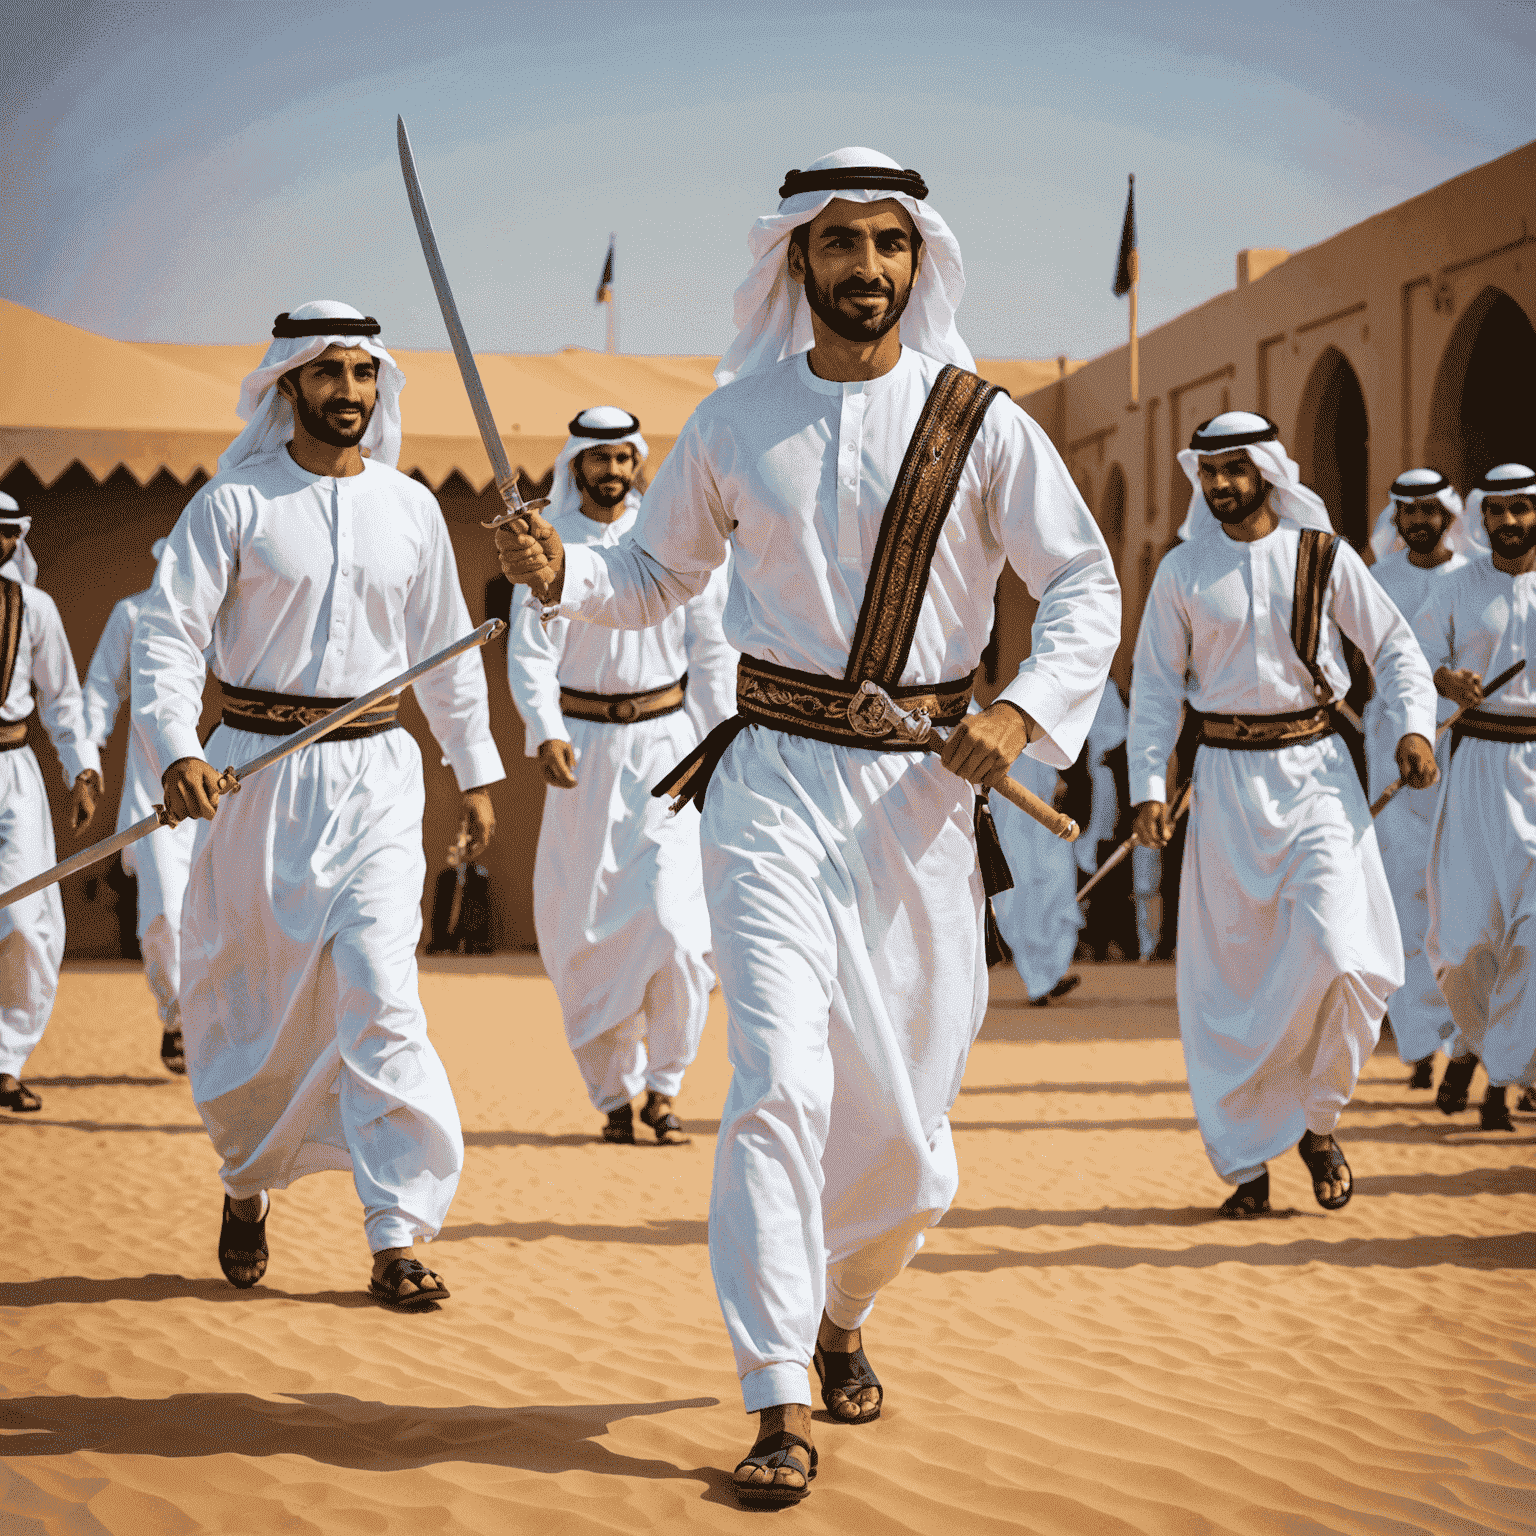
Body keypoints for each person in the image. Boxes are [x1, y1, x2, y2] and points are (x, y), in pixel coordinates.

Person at [495, 148, 1119, 1506]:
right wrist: (564, 574)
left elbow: (1081, 584)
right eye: (840, 244)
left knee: (909, 1136)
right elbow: (653, 576)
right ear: (797, 262)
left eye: (889, 244)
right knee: (779, 1084)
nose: (866, 268)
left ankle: (845, 1313)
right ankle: (777, 1388)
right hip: (769, 783)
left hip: (923, 801)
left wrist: (1016, 715)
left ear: (920, 260)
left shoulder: (986, 427)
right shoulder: (733, 424)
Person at [132, 301, 505, 1308]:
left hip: (379, 777)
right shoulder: (232, 504)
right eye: (328, 373)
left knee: (383, 995)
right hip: (256, 776)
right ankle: (249, 1183)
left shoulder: (411, 508)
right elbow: (166, 640)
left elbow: (446, 654)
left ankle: (396, 1233)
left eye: (364, 373)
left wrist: (472, 770)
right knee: (258, 1009)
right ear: (288, 385)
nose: (349, 391)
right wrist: (175, 750)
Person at [1129, 412, 1437, 1219]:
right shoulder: (1182, 573)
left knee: (1349, 952)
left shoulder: (1324, 558)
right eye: (1209, 471)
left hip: (1318, 777)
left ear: (1269, 470)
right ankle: (1246, 1163)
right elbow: (1157, 691)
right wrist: (1149, 791)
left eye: (1235, 468)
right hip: (1225, 785)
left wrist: (1410, 725)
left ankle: (1318, 1119)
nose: (1222, 484)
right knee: (1233, 982)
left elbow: (1397, 648)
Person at [507, 406, 734, 1145]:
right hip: (583, 752)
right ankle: (613, 1094)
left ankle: (665, 1088)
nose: (611, 471)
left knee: (675, 924)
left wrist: (717, 746)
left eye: (623, 458)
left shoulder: (673, 538)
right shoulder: (549, 547)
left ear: (640, 463)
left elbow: (712, 651)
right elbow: (531, 655)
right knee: (586, 936)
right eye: (596, 459)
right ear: (576, 465)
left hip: (669, 751)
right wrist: (544, 730)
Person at [1420, 463, 1536, 1133]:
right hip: (1476, 773)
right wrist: (1446, 677)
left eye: (1522, 509)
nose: (1510, 522)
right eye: (1499, 511)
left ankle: (1503, 1072)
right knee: (1466, 941)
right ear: (1482, 517)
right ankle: (1479, 1044)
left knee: (1532, 935)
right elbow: (1422, 654)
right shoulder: (1459, 587)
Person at [1362, 470, 1478, 1096]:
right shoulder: (1377, 581)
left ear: (1449, 514)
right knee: (1403, 895)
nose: (1419, 522)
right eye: (1408, 511)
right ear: (1397, 517)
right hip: (1391, 751)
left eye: (1430, 510)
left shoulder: (1474, 577)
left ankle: (1466, 1041)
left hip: (1469, 750)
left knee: (1459, 894)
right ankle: (1416, 1039)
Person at [81, 538, 200, 1074]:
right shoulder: (133, 615)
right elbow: (101, 687)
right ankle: (178, 1022)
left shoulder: (231, 616)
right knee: (165, 914)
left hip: (234, 785)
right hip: (156, 797)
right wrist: (86, 759)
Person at [0, 493, 101, 1112]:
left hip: (13, 773)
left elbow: (63, 698)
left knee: (23, 918)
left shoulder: (35, 609)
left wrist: (82, 769)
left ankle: (5, 1061)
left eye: (8, 533)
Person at [988, 747, 1083, 1003]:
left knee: (1058, 896)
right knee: (1018, 907)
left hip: (1047, 828)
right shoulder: (976, 718)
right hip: (1010, 832)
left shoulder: (1034, 730)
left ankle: (1055, 972)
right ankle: (1037, 983)